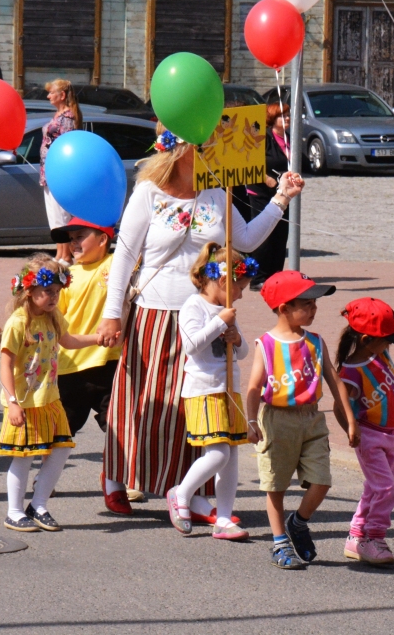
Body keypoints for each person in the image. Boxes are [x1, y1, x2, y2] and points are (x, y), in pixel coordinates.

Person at [97, 125, 302, 517]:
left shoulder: (216, 192)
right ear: (179, 149)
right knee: (144, 403)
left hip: (204, 314)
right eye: (203, 142)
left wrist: (281, 198)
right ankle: (116, 477)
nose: (212, 147)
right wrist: (111, 313)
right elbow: (124, 255)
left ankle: (194, 491)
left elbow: (244, 239)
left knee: (197, 407)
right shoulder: (148, 193)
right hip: (155, 315)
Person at [244, 270, 355, 570]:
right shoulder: (266, 344)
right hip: (276, 419)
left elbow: (333, 379)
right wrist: (251, 421)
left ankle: (299, 522)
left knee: (321, 481)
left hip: (311, 419)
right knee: (275, 485)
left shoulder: (316, 342)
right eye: (306, 304)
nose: (314, 309)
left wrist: (350, 420)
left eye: (315, 304)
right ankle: (280, 542)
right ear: (284, 308)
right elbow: (254, 387)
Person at [0, 255, 97, 532]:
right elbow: (5, 363)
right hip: (25, 402)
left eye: (56, 292)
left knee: (60, 452)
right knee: (24, 456)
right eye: (47, 292)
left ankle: (38, 504)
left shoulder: (53, 317)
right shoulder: (18, 323)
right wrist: (13, 403)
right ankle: (14, 511)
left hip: (50, 398)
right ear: (29, 291)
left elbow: (68, 340)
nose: (54, 297)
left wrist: (98, 338)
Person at [336, 259, 394, 567]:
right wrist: (351, 428)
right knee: (385, 489)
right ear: (366, 340)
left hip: (393, 435)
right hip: (370, 437)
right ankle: (374, 538)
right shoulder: (350, 371)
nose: (391, 341)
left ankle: (356, 535)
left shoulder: (380, 348)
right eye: (387, 337)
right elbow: (339, 404)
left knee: (375, 487)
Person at [167, 243, 257, 541]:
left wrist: (235, 335)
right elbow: (191, 345)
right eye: (240, 287)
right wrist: (220, 322)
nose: (242, 294)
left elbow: (243, 352)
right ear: (223, 281)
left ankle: (223, 517)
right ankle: (181, 493)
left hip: (228, 389)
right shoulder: (195, 306)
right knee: (217, 454)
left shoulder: (226, 310)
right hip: (204, 389)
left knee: (230, 457)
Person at [51, 218, 121, 439]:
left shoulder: (115, 265)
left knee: (119, 430)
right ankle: (44, 475)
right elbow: (56, 318)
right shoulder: (66, 277)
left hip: (108, 364)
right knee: (60, 435)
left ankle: (118, 473)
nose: (74, 244)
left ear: (102, 239)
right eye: (71, 239)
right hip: (71, 367)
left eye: (80, 236)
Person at [248, 102, 291, 291]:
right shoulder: (263, 137)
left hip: (284, 194)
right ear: (273, 120)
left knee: (281, 234)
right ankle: (258, 277)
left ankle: (276, 275)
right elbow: (250, 162)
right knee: (265, 235)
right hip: (261, 192)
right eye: (282, 116)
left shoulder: (290, 138)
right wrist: (265, 178)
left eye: (288, 115)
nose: (287, 119)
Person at [39, 79, 82, 263]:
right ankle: (59, 253)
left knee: (61, 215)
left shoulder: (68, 118)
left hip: (59, 174)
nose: (48, 96)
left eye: (52, 92)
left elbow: (65, 144)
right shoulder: (58, 116)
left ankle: (65, 255)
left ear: (62, 95)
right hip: (48, 173)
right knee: (54, 216)